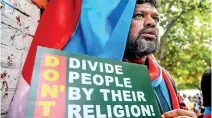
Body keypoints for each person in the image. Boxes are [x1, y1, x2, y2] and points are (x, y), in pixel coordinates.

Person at [7, 0, 196, 118]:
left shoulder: (166, 80)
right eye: (139, 15)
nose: (151, 22)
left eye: (155, 18)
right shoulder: (92, 75)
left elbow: (179, 108)